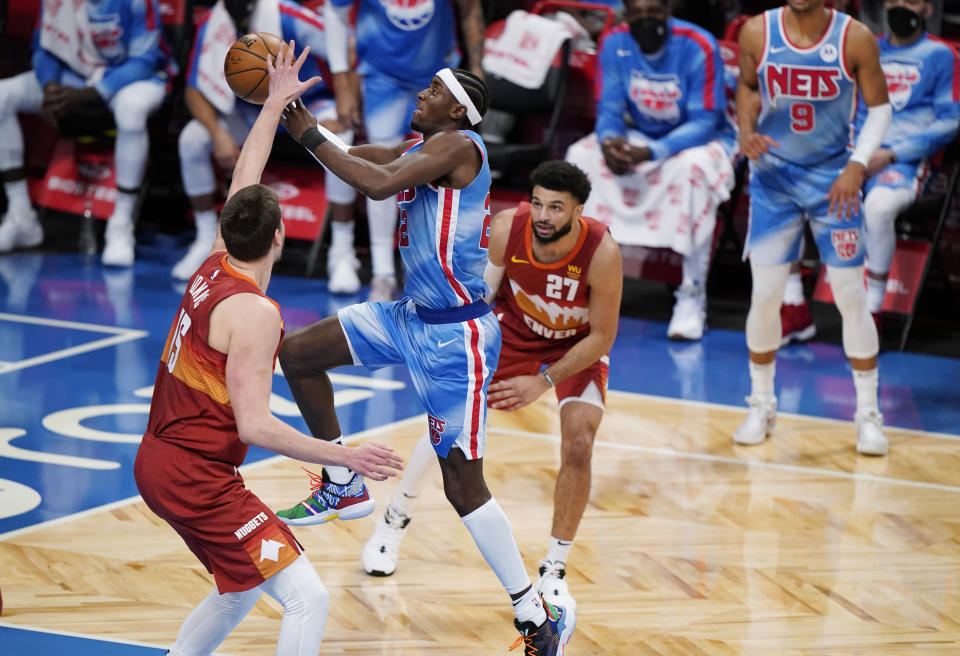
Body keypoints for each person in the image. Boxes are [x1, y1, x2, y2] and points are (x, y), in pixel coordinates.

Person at [275, 68, 575, 654]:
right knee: (299, 355)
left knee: (463, 485)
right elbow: (364, 157)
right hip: (410, 315)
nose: (421, 95)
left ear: (460, 111)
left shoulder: (460, 147)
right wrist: (292, 123)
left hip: (455, 338)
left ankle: (534, 612)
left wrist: (310, 133)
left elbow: (379, 184)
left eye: (434, 92)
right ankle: (342, 483)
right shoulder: (424, 146)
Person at [133, 42, 402, 656]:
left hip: (166, 461)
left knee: (240, 589)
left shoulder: (212, 261)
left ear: (229, 229)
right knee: (310, 597)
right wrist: (347, 458)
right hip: (194, 476)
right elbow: (255, 423)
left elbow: (244, 178)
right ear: (281, 237)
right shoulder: (253, 312)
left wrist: (276, 101)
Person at [358, 161, 623, 612]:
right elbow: (483, 298)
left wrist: (542, 382)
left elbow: (602, 336)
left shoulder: (602, 252)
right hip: (514, 332)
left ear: (579, 210)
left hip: (573, 348)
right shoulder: (507, 228)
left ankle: (554, 569)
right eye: (538, 202)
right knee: (451, 418)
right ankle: (393, 518)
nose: (543, 215)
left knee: (579, 442)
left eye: (556, 208)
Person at [735, 0, 892, 455]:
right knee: (765, 295)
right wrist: (746, 130)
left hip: (833, 178)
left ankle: (868, 414)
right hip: (773, 176)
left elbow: (879, 110)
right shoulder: (757, 31)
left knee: (849, 294)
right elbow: (746, 86)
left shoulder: (854, 37)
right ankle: (761, 402)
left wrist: (858, 165)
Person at [780, 0, 959, 341]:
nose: (901, 6)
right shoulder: (864, 46)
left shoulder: (943, 55)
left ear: (928, 10)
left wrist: (891, 153)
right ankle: (794, 309)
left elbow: (950, 122)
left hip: (904, 161)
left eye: (912, 1)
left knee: (878, 208)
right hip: (853, 155)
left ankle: (871, 313)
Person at [565, 0, 737, 341]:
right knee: (579, 156)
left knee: (692, 171)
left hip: (705, 138)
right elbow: (610, 108)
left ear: (668, 12)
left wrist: (651, 151)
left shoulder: (698, 44)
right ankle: (579, 286)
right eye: (637, 14)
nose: (646, 20)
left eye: (654, 12)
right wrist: (610, 142)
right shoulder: (614, 42)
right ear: (626, 14)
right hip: (641, 134)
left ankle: (691, 294)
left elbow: (705, 120)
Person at [173, 0, 358, 281]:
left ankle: (342, 252)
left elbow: (347, 47)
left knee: (341, 138)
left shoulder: (288, 16)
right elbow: (193, 89)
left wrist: (345, 93)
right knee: (192, 140)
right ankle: (204, 239)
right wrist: (219, 135)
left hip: (304, 105)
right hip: (248, 112)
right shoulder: (213, 22)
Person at [322, 0, 486, 300]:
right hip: (382, 76)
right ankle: (382, 274)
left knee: (444, 170)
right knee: (384, 166)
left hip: (441, 74)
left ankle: (443, 273)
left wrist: (477, 68)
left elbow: (470, 8)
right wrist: (342, 80)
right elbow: (335, 10)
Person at [0, 0, 173, 265]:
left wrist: (92, 92)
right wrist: (49, 86)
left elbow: (146, 59)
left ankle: (121, 224)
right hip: (75, 77)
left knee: (131, 110)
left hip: (133, 77)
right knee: (3, 95)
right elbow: (43, 46)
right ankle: (21, 216)